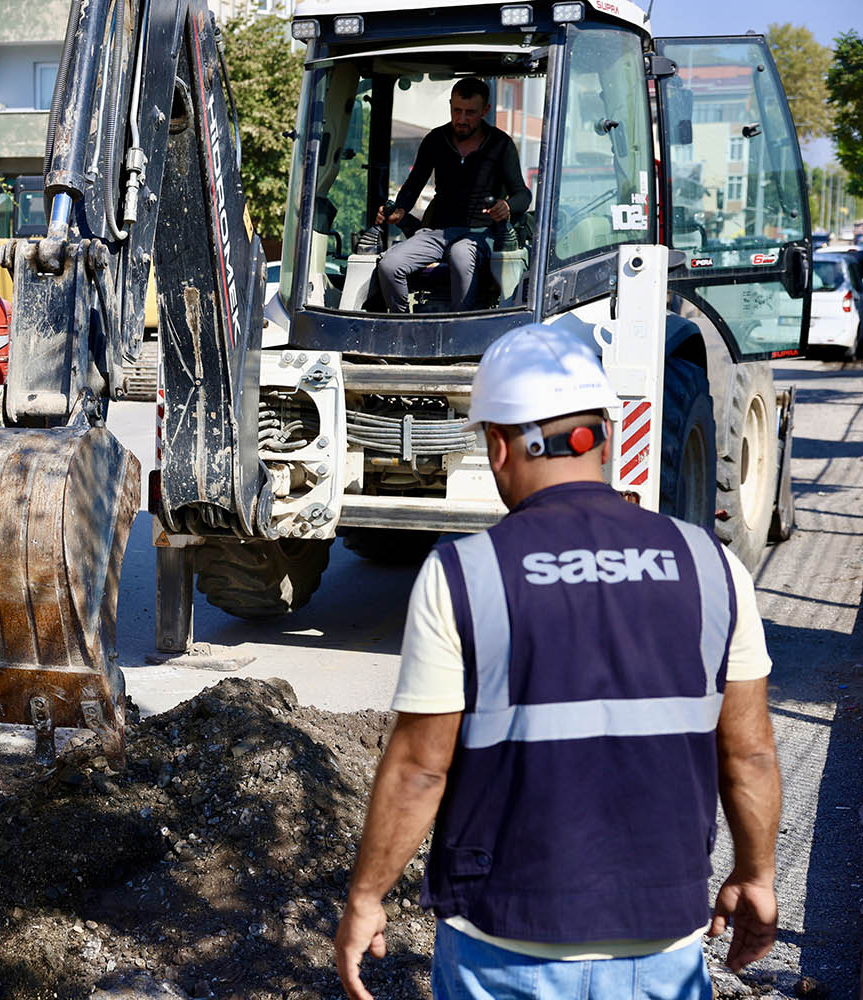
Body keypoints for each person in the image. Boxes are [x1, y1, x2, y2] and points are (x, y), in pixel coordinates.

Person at [334, 324, 782, 1000]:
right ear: (603, 433)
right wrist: (757, 875)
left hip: (506, 940)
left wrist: (367, 897)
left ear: (496, 444)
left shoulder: (464, 573)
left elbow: (421, 768)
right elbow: (749, 754)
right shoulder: (711, 566)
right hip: (661, 939)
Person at [373, 78, 532, 312]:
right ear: (450, 105)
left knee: (461, 255)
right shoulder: (436, 140)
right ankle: (403, 325)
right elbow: (413, 184)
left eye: (470, 113)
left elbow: (523, 194)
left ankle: (458, 326)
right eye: (457, 110)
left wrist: (507, 207)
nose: (461, 119)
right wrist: (400, 208)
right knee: (389, 264)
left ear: (485, 111)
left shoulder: (500, 144)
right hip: (437, 232)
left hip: (480, 234)